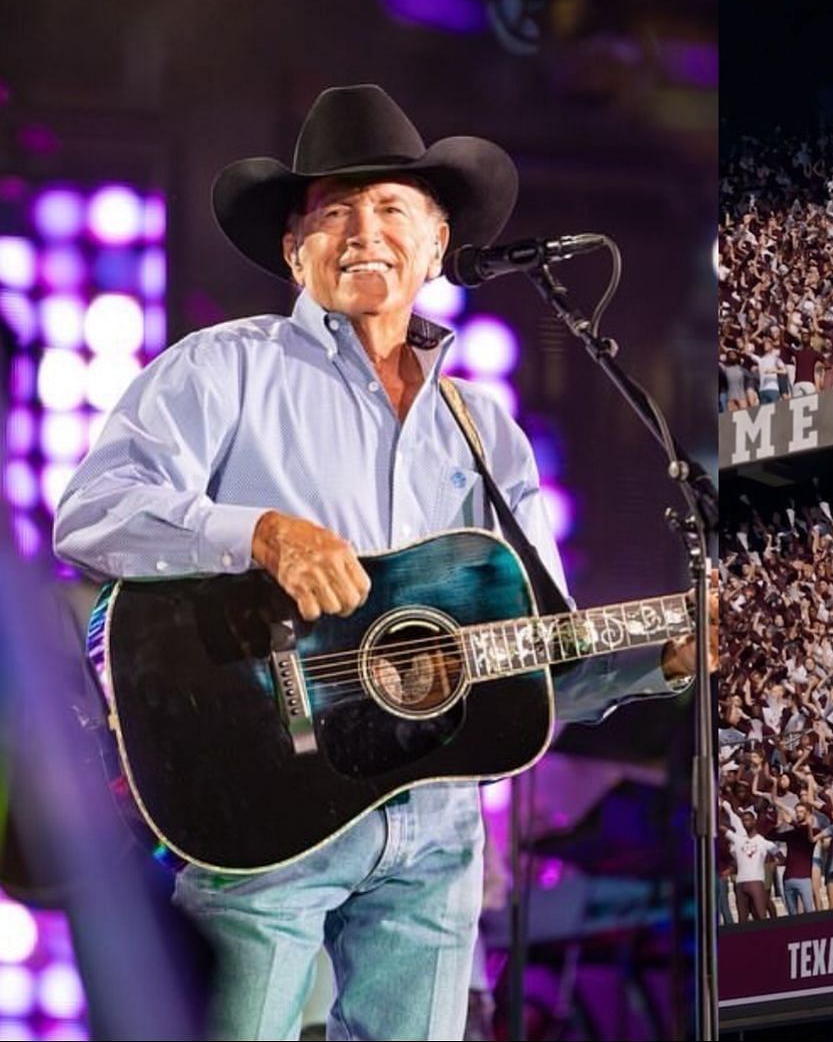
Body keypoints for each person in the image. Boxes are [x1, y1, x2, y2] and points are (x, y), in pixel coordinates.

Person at [52, 85, 703, 1041]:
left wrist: (659, 658)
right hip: (262, 797)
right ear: (294, 248)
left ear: (438, 245)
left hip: (436, 828)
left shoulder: (486, 431)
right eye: (335, 212)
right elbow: (93, 515)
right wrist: (258, 533)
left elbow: (532, 660)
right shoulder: (223, 369)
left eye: (394, 207)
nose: (366, 232)